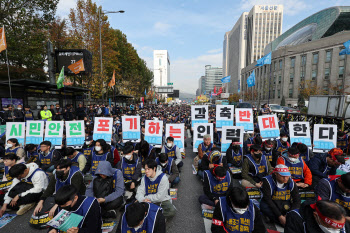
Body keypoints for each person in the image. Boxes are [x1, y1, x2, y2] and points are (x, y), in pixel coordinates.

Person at [285, 200, 350, 233]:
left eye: (338, 228)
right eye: (331, 227)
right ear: (316, 216)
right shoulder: (295, 218)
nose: (335, 231)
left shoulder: (341, 221)